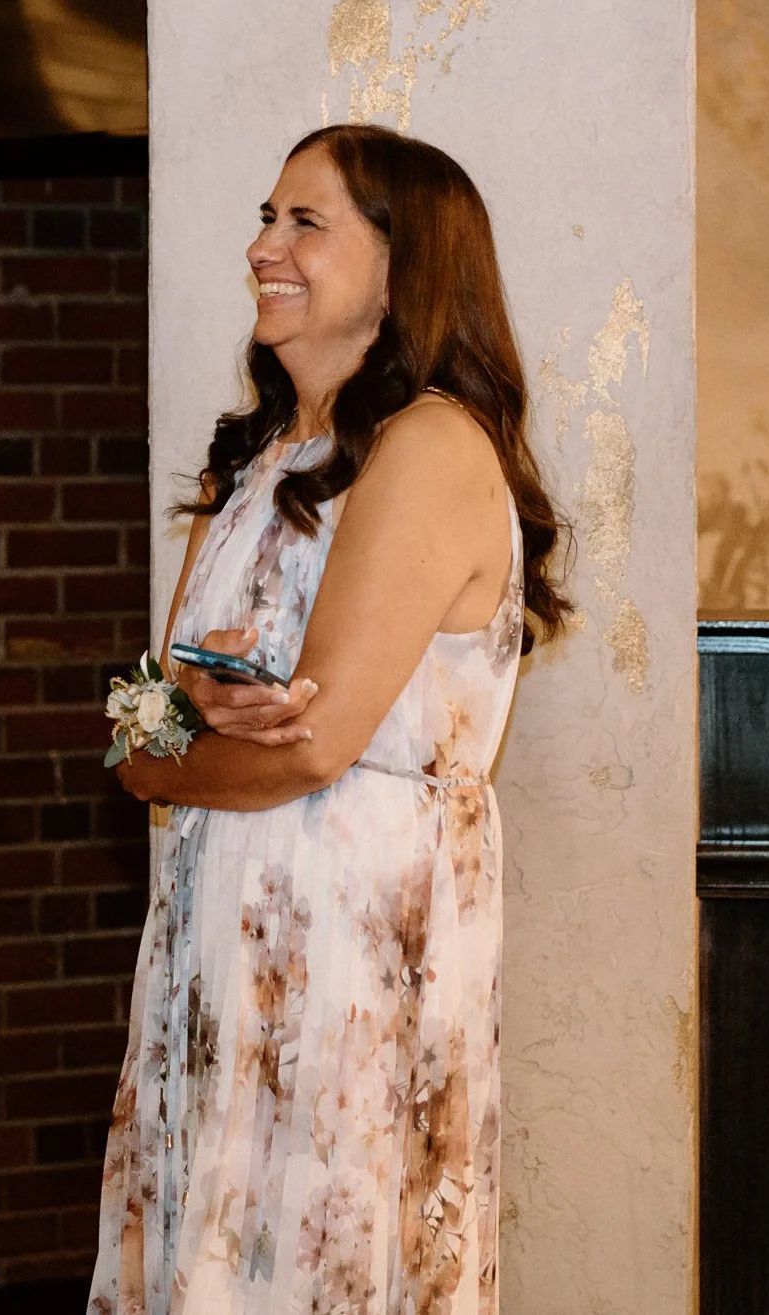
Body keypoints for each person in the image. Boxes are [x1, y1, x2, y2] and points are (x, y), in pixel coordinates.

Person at [90, 123, 571, 1313]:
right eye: (267, 218)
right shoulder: (254, 460)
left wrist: (172, 745)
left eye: (306, 222)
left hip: (350, 947)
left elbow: (310, 742)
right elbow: (144, 724)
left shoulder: (428, 445)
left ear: (406, 265)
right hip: (218, 933)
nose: (265, 246)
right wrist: (177, 734)